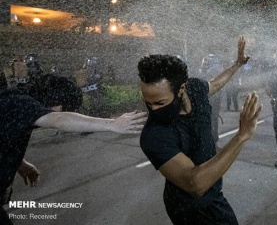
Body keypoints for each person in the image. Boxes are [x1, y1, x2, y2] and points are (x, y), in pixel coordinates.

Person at [1, 62, 148, 225]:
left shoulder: (12, 104)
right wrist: (112, 124)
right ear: (55, 102)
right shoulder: (18, 102)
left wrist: (20, 163)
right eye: (63, 107)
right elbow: (58, 120)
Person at [138, 36, 262, 224]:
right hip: (189, 209)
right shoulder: (154, 135)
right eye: (148, 103)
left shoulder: (195, 88)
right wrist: (241, 136)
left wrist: (237, 64)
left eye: (160, 102)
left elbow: (216, 84)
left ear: (181, 89)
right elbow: (195, 183)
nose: (153, 109)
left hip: (213, 197)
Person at [198, 54, 224, 146]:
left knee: (211, 117)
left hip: (212, 96)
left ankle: (211, 138)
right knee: (212, 117)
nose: (205, 64)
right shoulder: (216, 67)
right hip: (212, 96)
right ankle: (212, 137)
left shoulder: (212, 69)